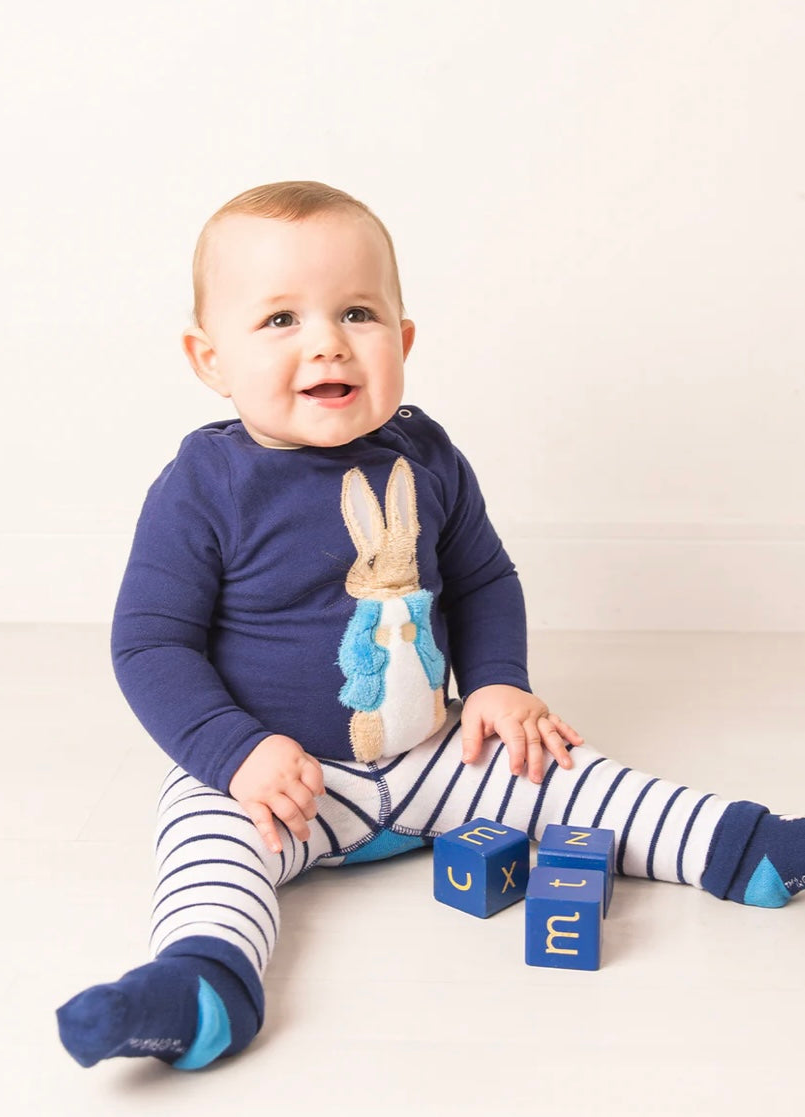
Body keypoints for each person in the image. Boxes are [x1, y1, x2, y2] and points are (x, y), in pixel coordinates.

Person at [57, 181, 804, 1072]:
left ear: (403, 340)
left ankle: (748, 846)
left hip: (438, 756)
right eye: (280, 320)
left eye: (358, 312)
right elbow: (149, 643)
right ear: (209, 359)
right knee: (206, 839)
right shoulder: (204, 486)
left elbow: (484, 578)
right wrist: (234, 753)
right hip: (282, 781)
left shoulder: (428, 455)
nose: (327, 340)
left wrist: (497, 682)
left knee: (567, 769)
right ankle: (203, 988)